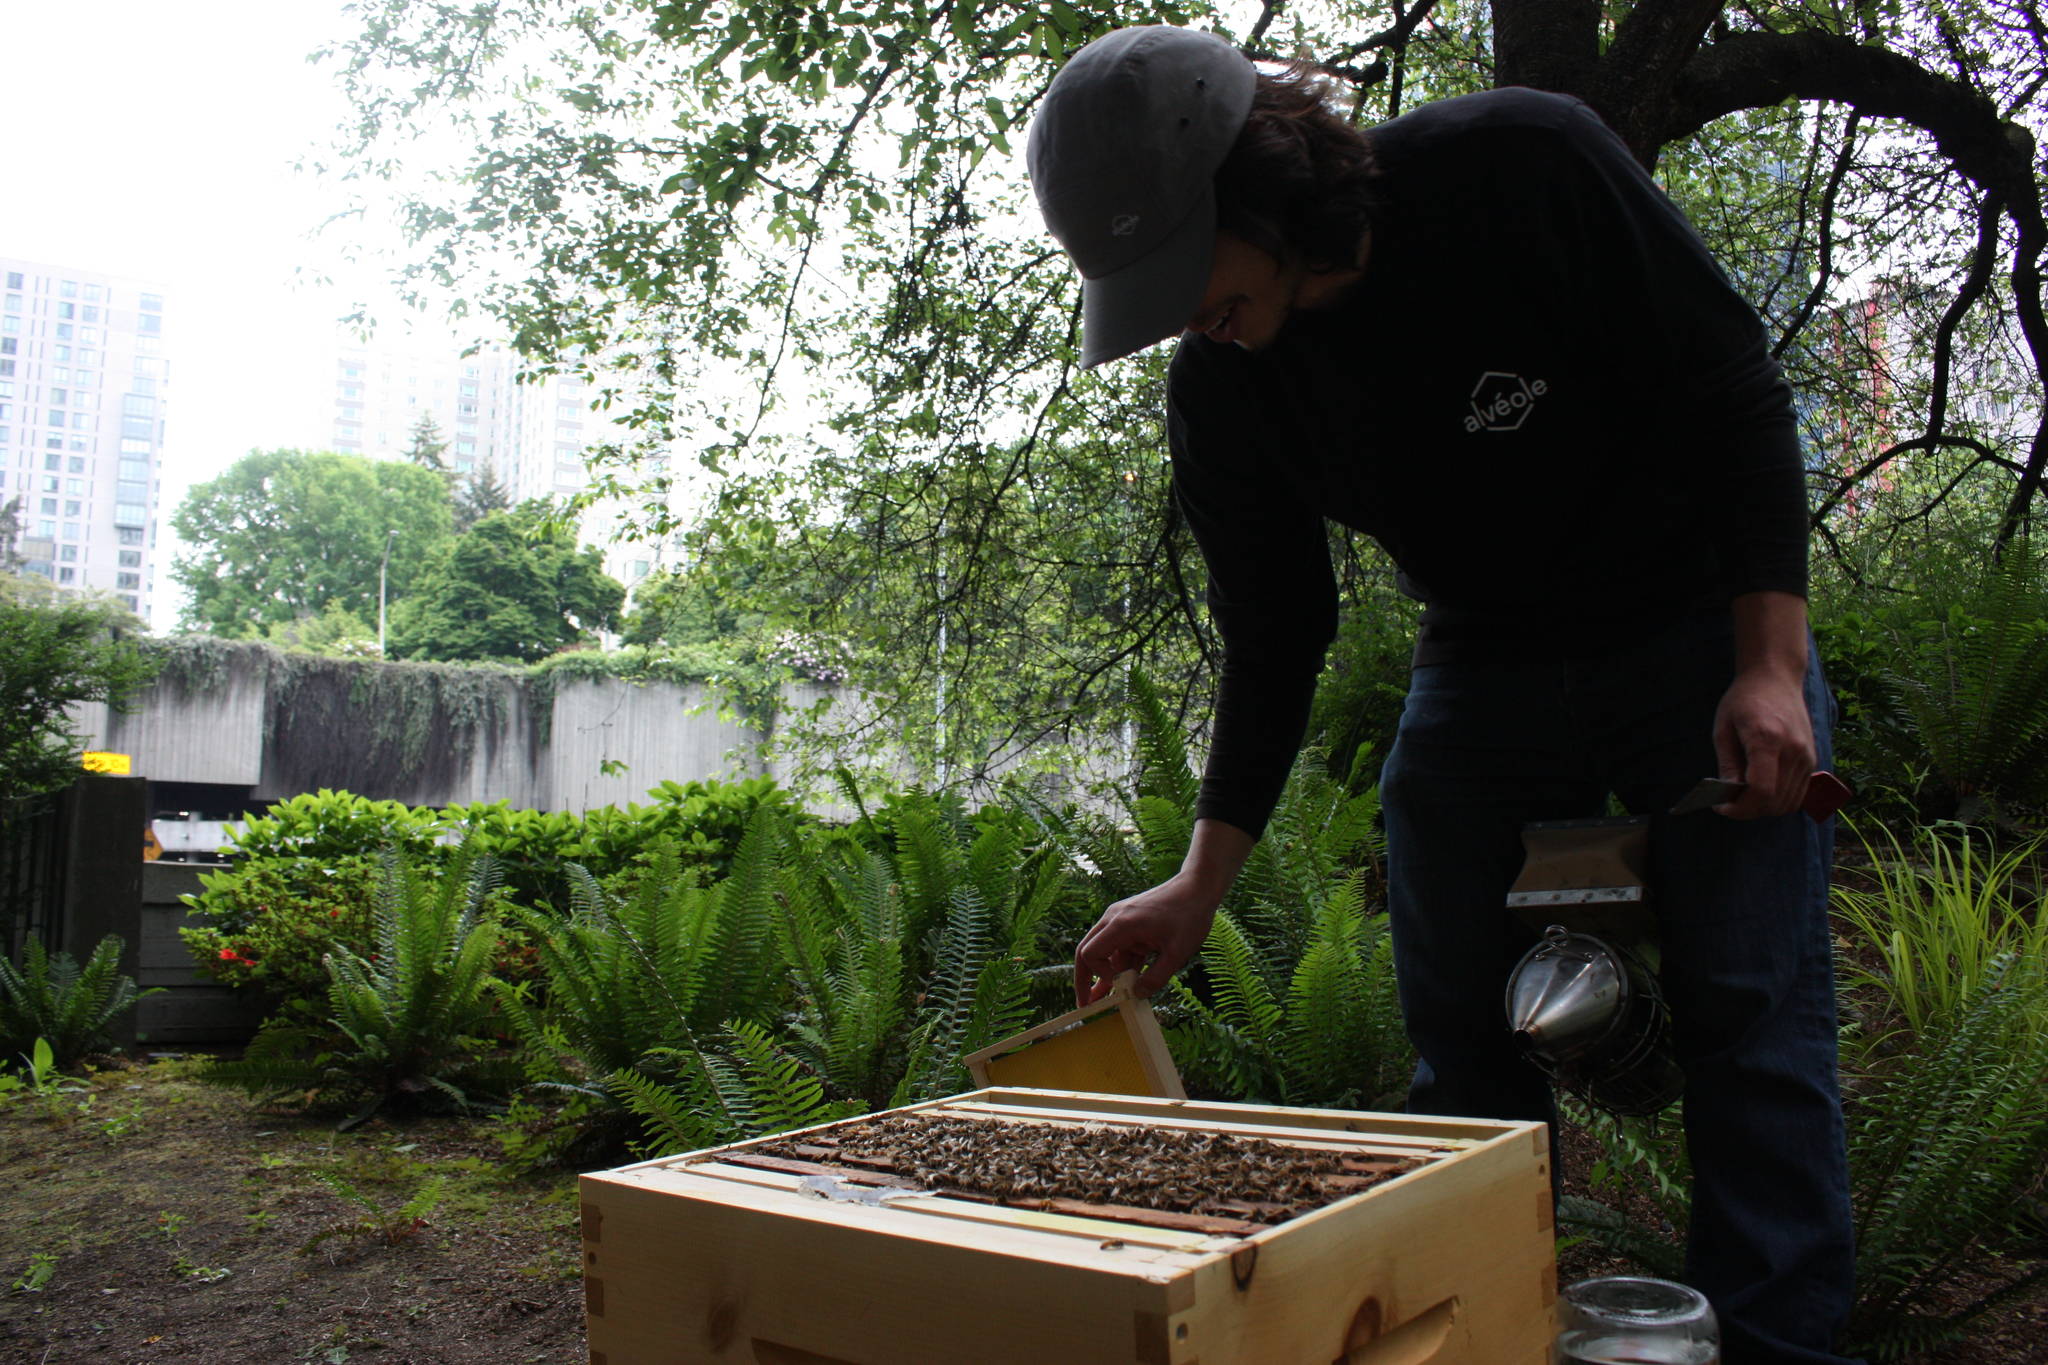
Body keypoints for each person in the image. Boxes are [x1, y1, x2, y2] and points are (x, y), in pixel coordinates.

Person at [1025, 25, 1860, 1365]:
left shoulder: (1521, 166)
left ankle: (1781, 1346)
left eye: (1188, 275)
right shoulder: (1228, 386)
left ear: (1258, 187)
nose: (1190, 317)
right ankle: (1474, 1330)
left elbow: (1731, 387)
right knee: (1459, 1035)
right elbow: (1278, 632)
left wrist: (1769, 666)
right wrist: (1200, 879)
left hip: (1697, 613)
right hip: (1486, 646)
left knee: (1750, 1017)